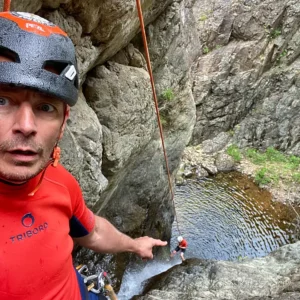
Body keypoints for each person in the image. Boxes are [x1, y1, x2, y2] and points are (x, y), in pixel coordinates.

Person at [0, 11, 167, 300]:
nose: (26, 126)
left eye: (45, 108)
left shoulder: (59, 182)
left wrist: (133, 245)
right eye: (2, 100)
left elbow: (92, 230)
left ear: (63, 124)